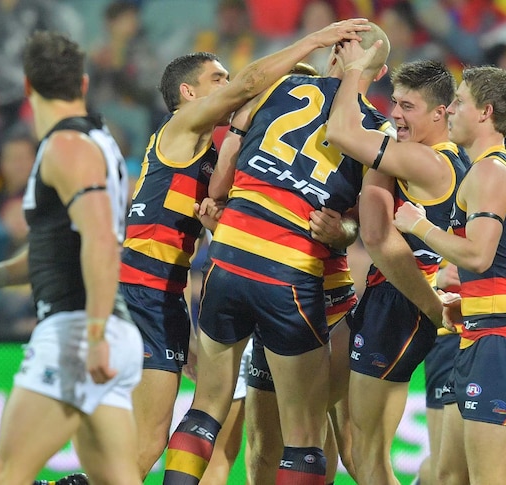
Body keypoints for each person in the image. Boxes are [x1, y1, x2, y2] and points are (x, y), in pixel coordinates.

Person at [162, 22, 432, 485]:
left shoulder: (278, 86)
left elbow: (224, 174)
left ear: (333, 56)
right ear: (381, 71)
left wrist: (230, 204)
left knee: (208, 408)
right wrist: (347, 232)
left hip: (231, 260)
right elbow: (371, 225)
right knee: (303, 439)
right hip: (291, 276)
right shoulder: (377, 132)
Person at [118, 18, 371, 480]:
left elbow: (221, 211)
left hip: (174, 292)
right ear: (191, 94)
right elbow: (254, 81)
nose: (231, 86)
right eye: (219, 79)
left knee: (188, 425)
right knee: (304, 435)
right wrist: (315, 39)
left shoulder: (226, 152)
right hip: (145, 294)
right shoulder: (183, 125)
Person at [0, 31, 139, 485]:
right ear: (85, 84)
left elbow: (99, 240)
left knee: (5, 476)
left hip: (78, 332)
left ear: (28, 87)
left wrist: (93, 336)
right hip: (104, 330)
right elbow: (58, 248)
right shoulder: (100, 143)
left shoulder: (65, 148)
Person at [209, 60, 395, 485]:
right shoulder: (273, 109)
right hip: (278, 290)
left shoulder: (374, 133)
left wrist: (341, 231)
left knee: (352, 446)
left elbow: (362, 223)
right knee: (269, 446)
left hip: (328, 300)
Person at [394, 65, 506, 485]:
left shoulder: (488, 172)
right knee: (452, 476)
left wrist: (418, 225)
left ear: (485, 111)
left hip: (499, 343)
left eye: (459, 102)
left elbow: (479, 255)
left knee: (486, 480)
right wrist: (480, 299)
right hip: (487, 332)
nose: (451, 112)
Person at [326, 53, 471, 484]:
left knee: (370, 456)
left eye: (408, 107)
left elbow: (340, 132)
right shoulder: (428, 157)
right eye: (394, 103)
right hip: (384, 299)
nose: (395, 115)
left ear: (441, 112)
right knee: (341, 430)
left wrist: (354, 69)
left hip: (401, 305)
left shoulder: (430, 161)